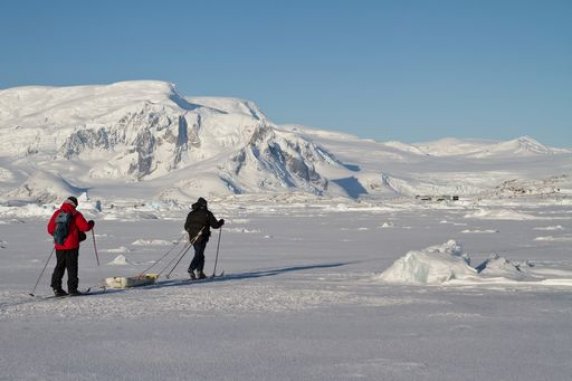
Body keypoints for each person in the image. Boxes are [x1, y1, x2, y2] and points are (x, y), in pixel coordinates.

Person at [47, 196, 94, 296]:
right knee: (72, 267)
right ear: (75, 205)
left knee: (59, 266)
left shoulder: (57, 213)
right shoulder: (75, 214)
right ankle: (72, 289)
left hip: (59, 245)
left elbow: (50, 229)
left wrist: (59, 237)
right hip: (72, 246)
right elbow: (85, 227)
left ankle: (56, 288)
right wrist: (91, 224)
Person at [184, 197, 224, 279]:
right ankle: (192, 268)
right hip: (202, 237)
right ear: (204, 204)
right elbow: (215, 225)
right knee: (199, 254)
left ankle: (200, 272)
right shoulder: (207, 213)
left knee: (200, 254)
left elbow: (186, 226)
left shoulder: (191, 213)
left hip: (192, 237)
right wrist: (221, 222)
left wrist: (192, 231)